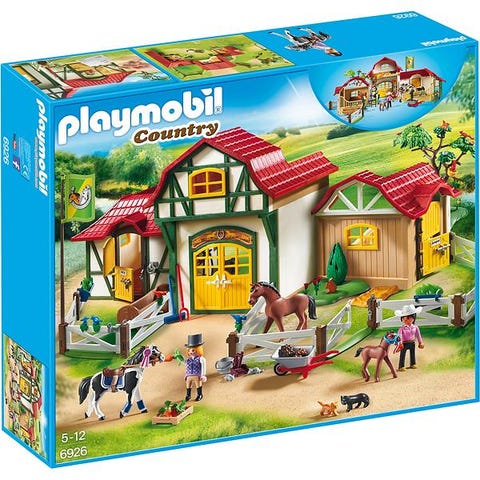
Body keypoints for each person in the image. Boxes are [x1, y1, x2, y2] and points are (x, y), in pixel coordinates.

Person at [395, 305, 424, 371]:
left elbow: (418, 335)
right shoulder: (402, 328)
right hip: (404, 344)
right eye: (403, 318)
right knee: (402, 354)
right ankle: (401, 366)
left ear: (413, 318)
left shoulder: (415, 327)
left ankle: (412, 363)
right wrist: (400, 342)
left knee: (412, 353)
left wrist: (420, 342)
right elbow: (399, 336)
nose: (405, 319)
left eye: (408, 317)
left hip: (412, 342)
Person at [184, 334, 207, 401]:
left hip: (197, 375)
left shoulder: (201, 359)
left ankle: (199, 394)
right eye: (189, 350)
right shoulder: (188, 359)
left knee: (198, 384)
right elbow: (184, 362)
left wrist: (203, 375)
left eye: (193, 350)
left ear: (198, 350)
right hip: (189, 375)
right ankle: (188, 395)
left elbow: (203, 367)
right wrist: (178, 357)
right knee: (188, 385)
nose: (190, 352)